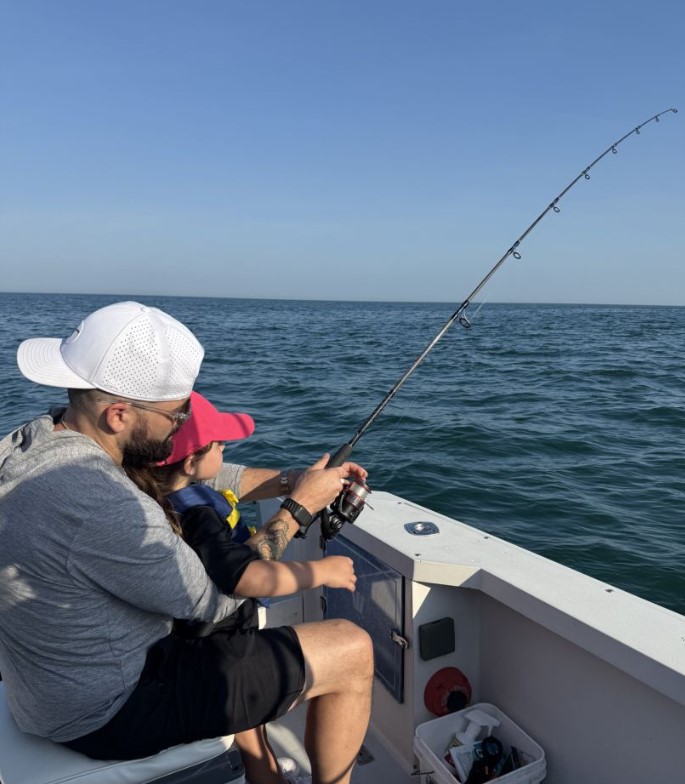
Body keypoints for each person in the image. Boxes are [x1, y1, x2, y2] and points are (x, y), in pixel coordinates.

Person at [0, 301, 373, 784]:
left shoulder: (33, 442)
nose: (180, 428)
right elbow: (219, 600)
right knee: (351, 648)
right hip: (111, 709)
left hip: (48, 690)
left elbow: (184, 474)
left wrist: (291, 479)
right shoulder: (102, 501)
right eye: (176, 416)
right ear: (118, 414)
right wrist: (299, 508)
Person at [125, 389, 360, 784]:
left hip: (183, 640)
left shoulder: (153, 495)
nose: (226, 450)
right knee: (352, 651)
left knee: (255, 745)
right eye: (218, 444)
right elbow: (246, 576)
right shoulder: (199, 513)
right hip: (214, 649)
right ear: (191, 460)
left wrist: (300, 480)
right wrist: (323, 571)